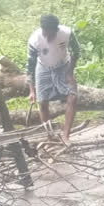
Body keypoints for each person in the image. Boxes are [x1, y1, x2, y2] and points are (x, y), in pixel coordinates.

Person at [26, 14, 80, 145]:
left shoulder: (67, 33)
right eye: (45, 34)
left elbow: (76, 52)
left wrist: (70, 73)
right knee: (42, 102)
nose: (47, 38)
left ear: (57, 30)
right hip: (43, 67)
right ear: (42, 29)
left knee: (72, 97)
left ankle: (66, 135)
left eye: (51, 35)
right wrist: (32, 91)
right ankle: (50, 135)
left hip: (63, 65)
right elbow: (30, 67)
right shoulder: (34, 40)